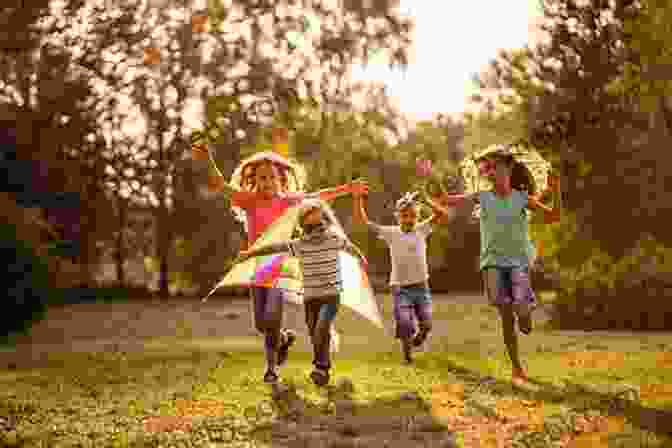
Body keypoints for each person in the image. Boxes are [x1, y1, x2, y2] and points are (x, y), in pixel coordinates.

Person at [198, 147, 368, 383]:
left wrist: (347, 189)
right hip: (258, 269)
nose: (267, 181)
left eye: (271, 177)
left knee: (272, 317)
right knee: (261, 324)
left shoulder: (289, 201)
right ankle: (283, 339)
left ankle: (271, 370)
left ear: (280, 180)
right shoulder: (249, 201)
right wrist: (208, 158)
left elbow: (320, 196)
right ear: (255, 181)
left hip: (281, 268)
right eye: (262, 177)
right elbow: (220, 185)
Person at [442, 149, 560, 384]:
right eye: (489, 168)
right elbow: (447, 200)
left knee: (520, 315)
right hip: (492, 262)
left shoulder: (521, 198)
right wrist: (429, 179)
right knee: (504, 310)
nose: (491, 171)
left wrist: (556, 189)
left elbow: (554, 215)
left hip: (518, 262)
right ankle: (517, 367)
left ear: (508, 169)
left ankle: (525, 310)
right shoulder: (482, 197)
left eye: (496, 167)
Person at [236, 199, 367, 386]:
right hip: (310, 298)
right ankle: (321, 365)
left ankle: (321, 368)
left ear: (326, 222)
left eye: (320, 225)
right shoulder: (300, 245)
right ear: (304, 227)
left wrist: (360, 257)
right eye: (311, 226)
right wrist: (250, 254)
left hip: (331, 296)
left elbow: (350, 247)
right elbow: (274, 248)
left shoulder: (333, 239)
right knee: (315, 333)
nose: (317, 231)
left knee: (321, 328)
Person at [352, 189, 450, 364]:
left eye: (412, 216)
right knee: (405, 323)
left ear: (417, 217)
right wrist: (358, 199)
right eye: (404, 216)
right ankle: (407, 356)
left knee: (427, 323)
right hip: (400, 288)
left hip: (421, 286)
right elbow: (364, 222)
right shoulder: (391, 233)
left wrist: (427, 201)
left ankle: (420, 336)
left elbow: (443, 215)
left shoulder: (422, 229)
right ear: (397, 216)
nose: (409, 219)